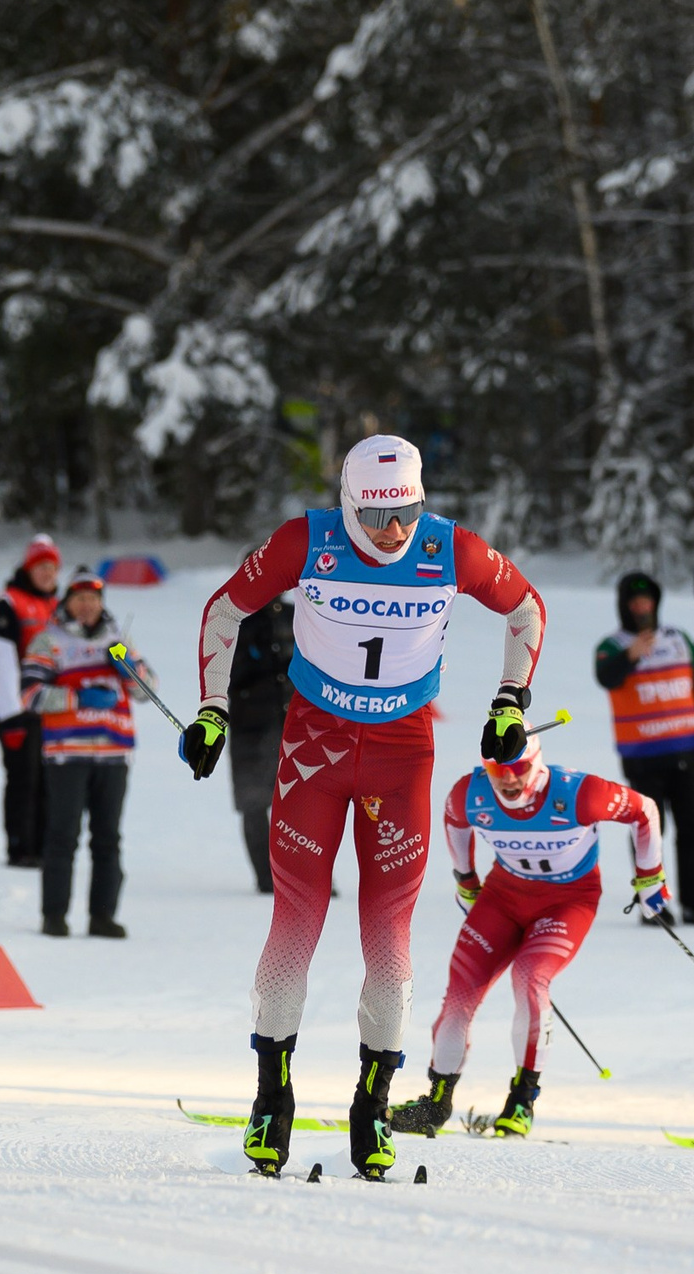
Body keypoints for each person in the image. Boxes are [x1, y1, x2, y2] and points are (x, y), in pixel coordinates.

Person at [179, 433, 547, 1181]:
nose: (393, 532)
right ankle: (270, 1099)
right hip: (312, 747)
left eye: (407, 512)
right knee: (296, 918)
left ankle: (372, 1104)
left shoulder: (453, 550)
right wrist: (213, 710)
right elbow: (225, 610)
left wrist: (511, 697)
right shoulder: (305, 541)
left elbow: (527, 608)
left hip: (401, 754)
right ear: (345, 503)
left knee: (388, 932)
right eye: (376, 516)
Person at [388, 738, 666, 1140]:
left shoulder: (578, 793)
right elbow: (454, 821)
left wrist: (650, 874)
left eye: (518, 771)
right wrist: (466, 880)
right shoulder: (472, 793)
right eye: (498, 773)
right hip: (503, 898)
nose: (509, 782)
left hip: (568, 902)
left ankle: (521, 1101)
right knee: (459, 997)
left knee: (530, 977)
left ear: (537, 764)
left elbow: (645, 811)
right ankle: (435, 1102)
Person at [593, 571, 694, 927]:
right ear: (624, 606)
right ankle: (652, 904)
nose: (642, 606)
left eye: (647, 600)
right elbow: (606, 677)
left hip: (686, 752)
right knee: (649, 832)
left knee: (693, 829)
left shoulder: (679, 639)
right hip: (642, 759)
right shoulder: (612, 645)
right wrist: (630, 657)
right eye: (635, 601)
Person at [19, 572, 142, 938]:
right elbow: (29, 695)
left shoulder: (117, 639)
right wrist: (76, 698)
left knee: (108, 838)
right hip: (67, 755)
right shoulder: (49, 641)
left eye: (94, 599)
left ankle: (102, 916)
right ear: (67, 602)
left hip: (114, 755)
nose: (87, 606)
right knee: (62, 836)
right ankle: (54, 915)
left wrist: (130, 672)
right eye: (80, 598)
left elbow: (146, 690)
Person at [0, 534, 61, 868]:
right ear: (28, 568)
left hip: (48, 707)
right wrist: (11, 715)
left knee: (48, 780)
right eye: (41, 567)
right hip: (18, 709)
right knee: (23, 778)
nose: (47, 574)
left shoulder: (57, 606)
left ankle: (44, 844)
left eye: (52, 567)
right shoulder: (8, 604)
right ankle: (20, 846)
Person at [225, 596, 296, 892]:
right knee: (253, 802)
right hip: (249, 726)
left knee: (301, 804)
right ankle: (267, 878)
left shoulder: (298, 614)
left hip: (294, 724)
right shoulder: (232, 622)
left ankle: (305, 877)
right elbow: (223, 674)